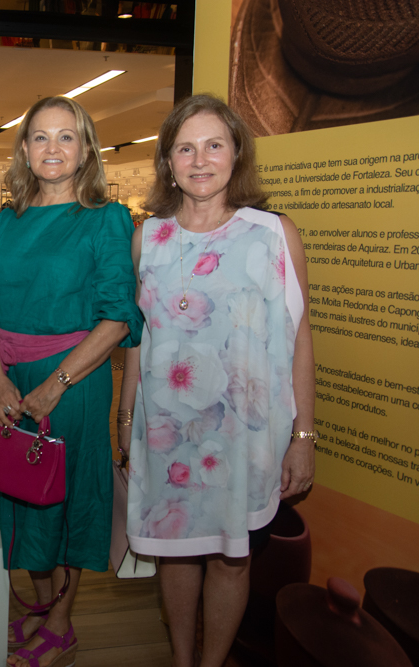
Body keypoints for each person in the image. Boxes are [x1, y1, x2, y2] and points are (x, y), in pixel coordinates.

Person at [118, 94, 314, 667]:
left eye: (213, 145)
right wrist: (126, 420)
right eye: (185, 147)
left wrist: (304, 436)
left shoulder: (274, 233)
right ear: (167, 161)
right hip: (166, 435)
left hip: (247, 435)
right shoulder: (147, 238)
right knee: (175, 552)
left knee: (233, 558)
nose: (199, 160)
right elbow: (139, 339)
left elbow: (300, 336)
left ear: (236, 154)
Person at [0, 96, 142, 667]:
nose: (52, 148)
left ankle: (63, 625)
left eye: (66, 137)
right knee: (23, 495)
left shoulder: (104, 219)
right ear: (24, 149)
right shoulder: (6, 221)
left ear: (86, 148)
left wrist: (57, 383)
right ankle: (43, 607)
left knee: (68, 500)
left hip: (75, 383)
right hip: (12, 381)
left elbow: (117, 318)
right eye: (40, 137)